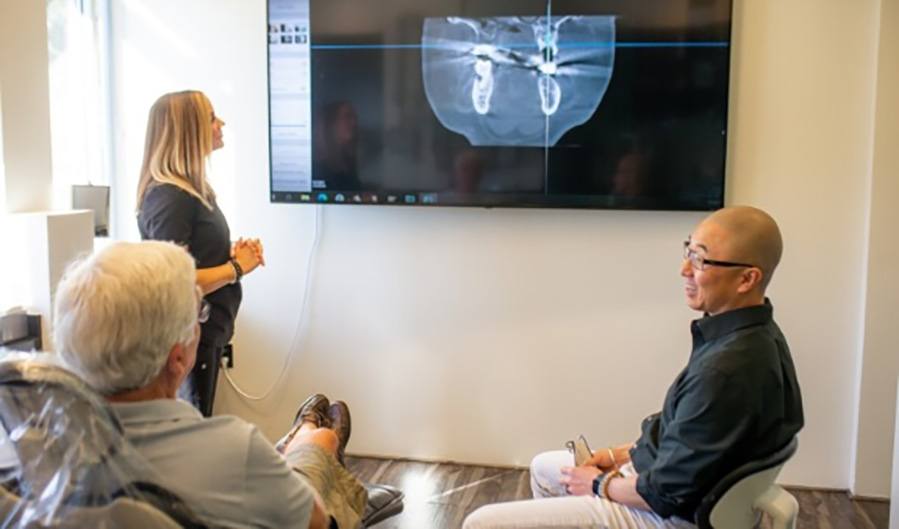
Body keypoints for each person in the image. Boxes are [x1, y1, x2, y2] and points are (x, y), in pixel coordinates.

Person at [464, 206, 804, 529]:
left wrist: (599, 484)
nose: (684, 269)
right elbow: (683, 435)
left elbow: (662, 494)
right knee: (545, 467)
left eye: (700, 259)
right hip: (678, 488)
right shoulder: (755, 336)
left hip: (670, 515)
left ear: (747, 279)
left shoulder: (726, 371)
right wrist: (612, 456)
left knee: (481, 522)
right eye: (688, 251)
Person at [53, 240, 367, 529]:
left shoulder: (36, 447)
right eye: (200, 314)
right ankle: (305, 439)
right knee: (322, 443)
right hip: (293, 501)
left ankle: (298, 442)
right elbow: (315, 521)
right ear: (177, 359)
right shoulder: (232, 447)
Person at [136, 90, 264, 416]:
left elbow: (193, 258)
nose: (221, 124)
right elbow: (177, 282)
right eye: (211, 118)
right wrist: (236, 267)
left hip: (206, 334)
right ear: (189, 129)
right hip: (190, 337)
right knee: (193, 423)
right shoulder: (170, 197)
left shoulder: (189, 192)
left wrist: (228, 254)